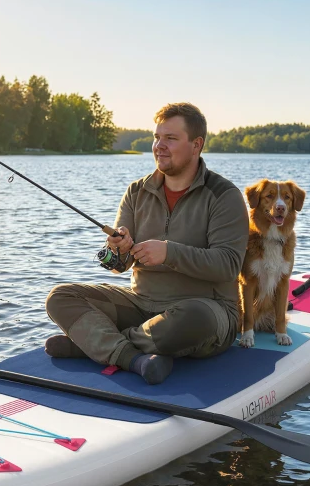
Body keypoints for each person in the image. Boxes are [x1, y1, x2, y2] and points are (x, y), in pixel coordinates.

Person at [44, 102, 249, 385]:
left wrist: (169, 252)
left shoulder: (224, 196)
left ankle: (92, 346)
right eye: (157, 137)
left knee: (192, 319)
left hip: (206, 311)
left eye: (171, 139)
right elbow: (118, 266)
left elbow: (228, 265)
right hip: (142, 305)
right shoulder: (136, 191)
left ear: (196, 144)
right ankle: (131, 356)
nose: (159, 146)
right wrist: (117, 250)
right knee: (60, 297)